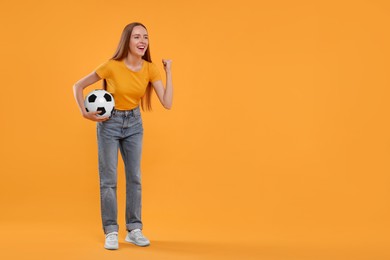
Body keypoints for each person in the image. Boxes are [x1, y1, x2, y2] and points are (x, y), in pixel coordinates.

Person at [73, 22, 173, 250]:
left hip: (134, 124)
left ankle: (134, 229)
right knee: (108, 180)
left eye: (145, 37)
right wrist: (85, 113)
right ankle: (111, 230)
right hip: (110, 123)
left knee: (134, 177)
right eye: (137, 36)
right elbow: (77, 86)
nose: (142, 41)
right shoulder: (111, 66)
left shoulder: (150, 68)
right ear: (127, 41)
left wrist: (168, 71)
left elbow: (167, 103)